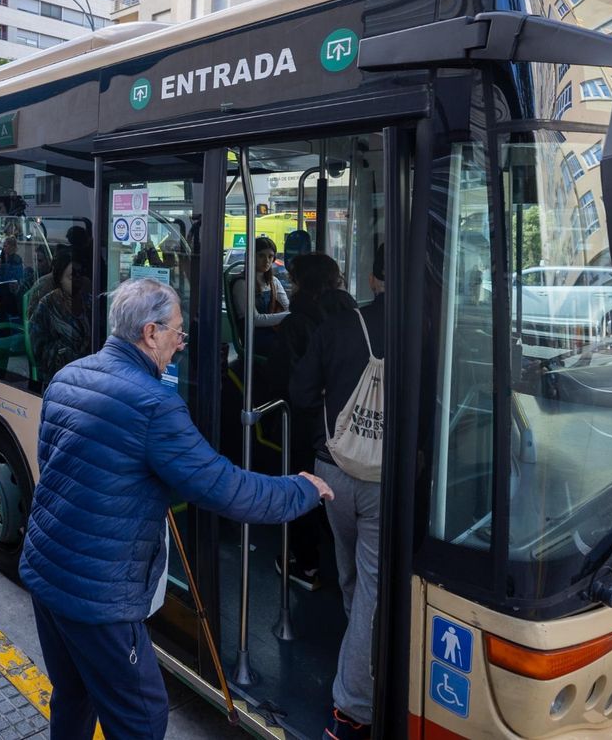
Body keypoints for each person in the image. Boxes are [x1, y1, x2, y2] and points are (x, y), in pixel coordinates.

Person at [21, 278, 331, 740]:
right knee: (142, 716)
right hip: (100, 597)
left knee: (73, 695)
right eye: (178, 333)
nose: (181, 344)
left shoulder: (70, 374)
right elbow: (226, 489)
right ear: (150, 333)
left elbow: (58, 465)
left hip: (46, 573)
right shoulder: (154, 405)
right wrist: (300, 490)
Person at [289, 253, 387, 740]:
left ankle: (356, 678)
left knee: (351, 576)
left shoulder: (340, 325)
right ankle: (353, 704)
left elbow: (301, 391)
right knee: (370, 587)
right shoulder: (432, 326)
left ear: (373, 277)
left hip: (333, 471)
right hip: (384, 481)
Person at [266, 253, 355, 589]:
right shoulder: (352, 314)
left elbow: (284, 381)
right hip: (347, 425)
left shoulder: (297, 323)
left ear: (302, 283)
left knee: (303, 489)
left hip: (306, 426)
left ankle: (306, 565)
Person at [29, 250, 90, 385]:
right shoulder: (48, 304)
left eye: (79, 274)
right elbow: (36, 346)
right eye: (71, 276)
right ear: (60, 279)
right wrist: (62, 354)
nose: (77, 279)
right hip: (58, 377)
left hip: (88, 373)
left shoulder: (88, 302)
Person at [228, 236, 290, 357]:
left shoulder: (274, 282)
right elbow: (254, 320)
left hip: (274, 333)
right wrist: (289, 315)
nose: (266, 260)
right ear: (251, 256)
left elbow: (287, 306)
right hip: (255, 338)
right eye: (261, 255)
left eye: (270, 256)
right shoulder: (242, 283)